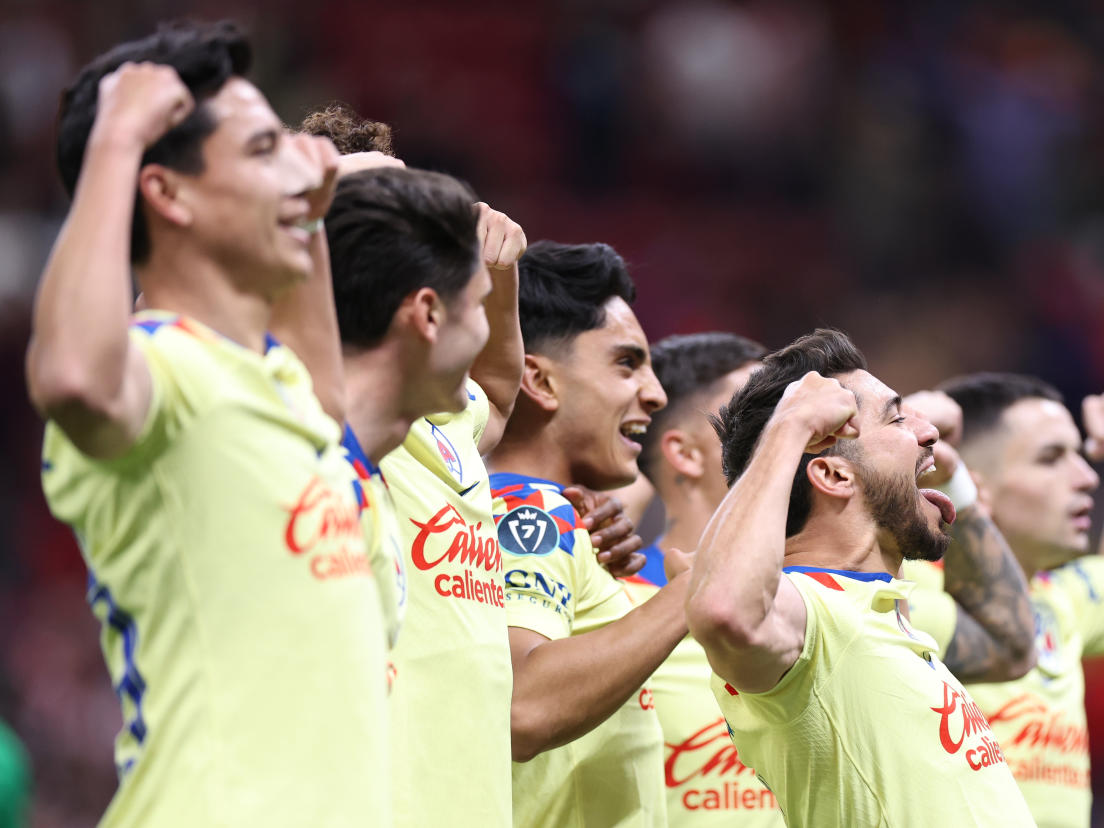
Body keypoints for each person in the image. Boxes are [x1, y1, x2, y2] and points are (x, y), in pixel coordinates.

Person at [30, 21, 393, 826]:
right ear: (166, 192)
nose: (298, 170)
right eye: (264, 151)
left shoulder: (277, 388)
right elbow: (71, 378)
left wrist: (303, 215)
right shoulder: (158, 368)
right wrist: (118, 138)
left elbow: (324, 399)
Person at [303, 108, 645, 826]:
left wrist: (502, 272)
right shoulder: (310, 387)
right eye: (382, 212)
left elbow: (493, 393)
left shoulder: (435, 416)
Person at [687, 328, 1036, 827]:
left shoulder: (885, 614)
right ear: (833, 475)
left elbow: (1015, 646)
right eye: (896, 418)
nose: (929, 431)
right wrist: (787, 428)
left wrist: (959, 479)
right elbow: (723, 611)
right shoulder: (808, 615)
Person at [904, 374, 1104, 828]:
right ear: (974, 485)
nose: (1088, 478)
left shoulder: (1059, 599)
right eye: (1051, 458)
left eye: (1080, 454)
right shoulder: (900, 596)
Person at [487, 240, 685, 827]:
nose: (656, 392)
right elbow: (523, 703)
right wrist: (692, 596)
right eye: (626, 363)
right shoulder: (528, 513)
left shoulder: (561, 517)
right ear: (540, 382)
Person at [624, 332, 784, 824]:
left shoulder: (827, 593)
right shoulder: (610, 601)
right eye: (758, 415)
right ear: (687, 454)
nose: (791, 434)